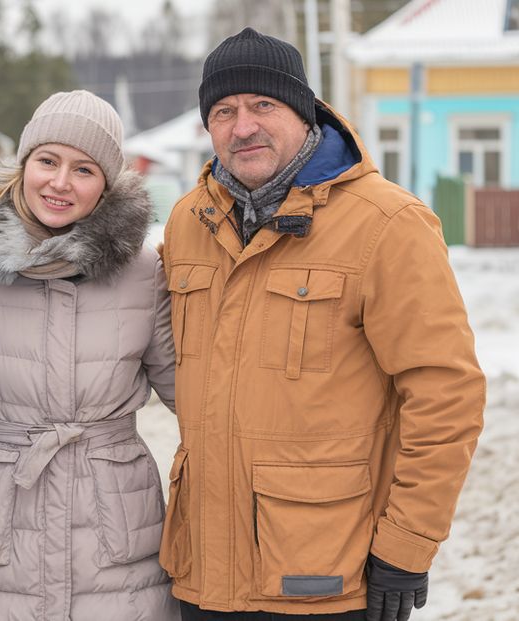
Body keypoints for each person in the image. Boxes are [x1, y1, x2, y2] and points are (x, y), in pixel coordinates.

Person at [159, 27, 486, 621]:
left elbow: (446, 394)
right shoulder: (189, 221)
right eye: (224, 111)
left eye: (264, 105)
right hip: (203, 576)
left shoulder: (387, 224)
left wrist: (407, 547)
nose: (243, 126)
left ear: (305, 113)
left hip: (328, 577)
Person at [0, 90, 179, 621]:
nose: (60, 182)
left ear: (107, 186)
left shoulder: (144, 272)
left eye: (83, 169)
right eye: (47, 161)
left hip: (115, 540)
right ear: (23, 166)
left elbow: (192, 393)